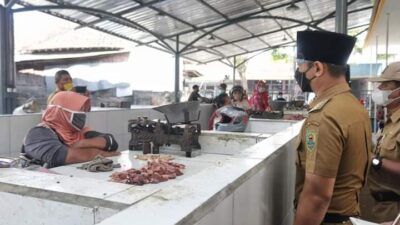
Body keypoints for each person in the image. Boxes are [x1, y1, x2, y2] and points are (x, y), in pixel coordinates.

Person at [294, 30, 371, 225]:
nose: (299, 72)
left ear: (317, 68)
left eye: (301, 65)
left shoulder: (324, 116)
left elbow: (317, 196)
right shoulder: (353, 106)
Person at [22, 91, 120, 168]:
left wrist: (82, 144)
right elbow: (67, 156)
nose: (82, 114)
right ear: (60, 112)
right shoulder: (39, 133)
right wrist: (106, 155)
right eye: (78, 110)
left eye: (82, 110)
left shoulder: (77, 132)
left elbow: (111, 142)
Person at [366, 61, 400, 223]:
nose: (379, 89)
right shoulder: (391, 120)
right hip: (381, 205)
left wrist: (374, 160)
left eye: (386, 85)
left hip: (394, 210)